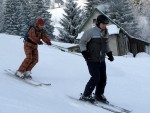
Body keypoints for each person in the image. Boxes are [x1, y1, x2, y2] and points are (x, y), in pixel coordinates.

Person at [79, 15, 114, 103]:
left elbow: (106, 45)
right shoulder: (90, 32)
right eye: (103, 24)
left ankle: (98, 94)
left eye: (106, 24)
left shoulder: (106, 32)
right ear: (98, 23)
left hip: (101, 60)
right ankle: (86, 95)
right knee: (95, 77)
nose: (105, 26)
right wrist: (84, 52)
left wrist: (109, 53)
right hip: (91, 59)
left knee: (103, 78)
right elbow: (82, 42)